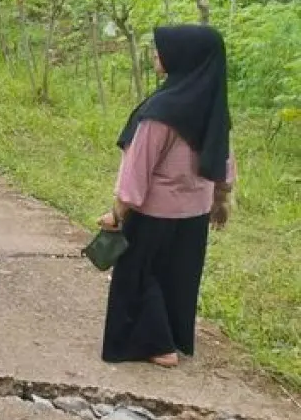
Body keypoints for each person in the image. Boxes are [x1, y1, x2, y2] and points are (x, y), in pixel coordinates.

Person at [100, 24, 235, 368]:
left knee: (140, 274)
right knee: (178, 275)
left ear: (183, 57)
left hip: (153, 212)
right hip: (194, 214)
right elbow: (223, 154)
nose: (156, 54)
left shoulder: (162, 111)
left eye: (163, 49)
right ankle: (172, 337)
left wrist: (118, 213)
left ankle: (157, 346)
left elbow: (137, 168)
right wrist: (222, 196)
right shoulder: (211, 105)